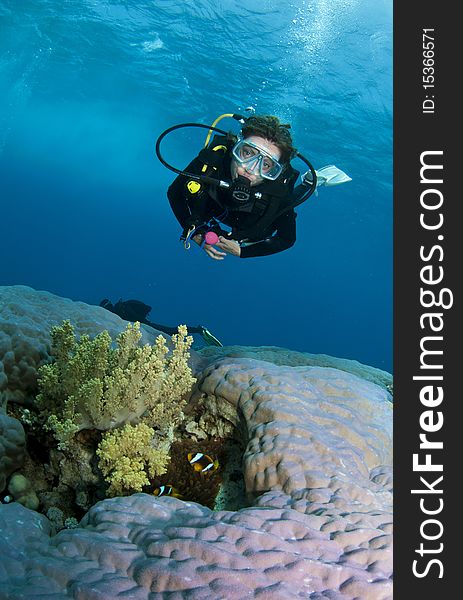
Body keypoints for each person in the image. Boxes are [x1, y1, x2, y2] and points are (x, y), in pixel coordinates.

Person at [167, 115, 309, 260]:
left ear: (274, 172)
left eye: (265, 165)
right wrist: (195, 231)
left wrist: (242, 252)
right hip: (213, 207)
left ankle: (307, 183)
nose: (251, 169)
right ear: (236, 147)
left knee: (282, 208)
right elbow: (174, 193)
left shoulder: (277, 192)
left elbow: (286, 239)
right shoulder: (211, 162)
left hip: (249, 223)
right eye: (247, 153)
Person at [99, 298, 223, 347]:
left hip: (145, 325)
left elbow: (137, 318)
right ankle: (199, 331)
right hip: (145, 325)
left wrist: (145, 324)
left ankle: (199, 330)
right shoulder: (122, 308)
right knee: (170, 332)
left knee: (171, 332)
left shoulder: (122, 309)